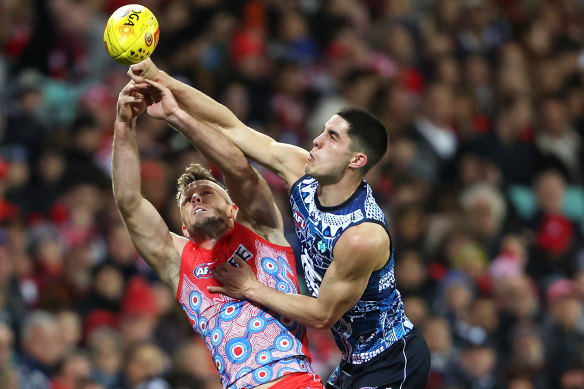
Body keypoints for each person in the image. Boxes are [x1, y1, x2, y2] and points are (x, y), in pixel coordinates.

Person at [129, 59, 431, 389]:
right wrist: (163, 82)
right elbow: (232, 127)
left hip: (389, 359)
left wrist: (251, 288)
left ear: (356, 161)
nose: (316, 141)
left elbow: (321, 315)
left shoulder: (361, 236)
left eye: (332, 137)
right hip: (352, 358)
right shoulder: (300, 170)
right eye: (322, 131)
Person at [112, 81, 323, 389]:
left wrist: (177, 117)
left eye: (208, 193)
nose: (196, 198)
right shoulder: (178, 261)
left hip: (294, 381)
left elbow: (239, 169)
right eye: (188, 200)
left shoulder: (260, 230)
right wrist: (123, 124)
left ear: (233, 210)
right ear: (183, 227)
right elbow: (130, 202)